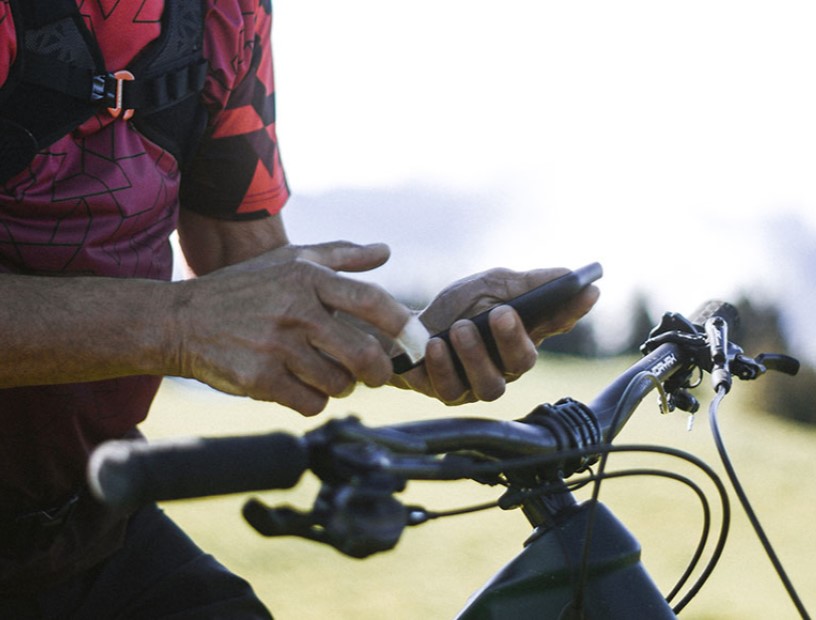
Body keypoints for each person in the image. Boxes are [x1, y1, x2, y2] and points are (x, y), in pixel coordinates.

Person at [0, 1, 598, 617]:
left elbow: (245, 269)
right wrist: (176, 323)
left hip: (87, 522)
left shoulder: (226, 12)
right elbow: (202, 313)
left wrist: (411, 339)